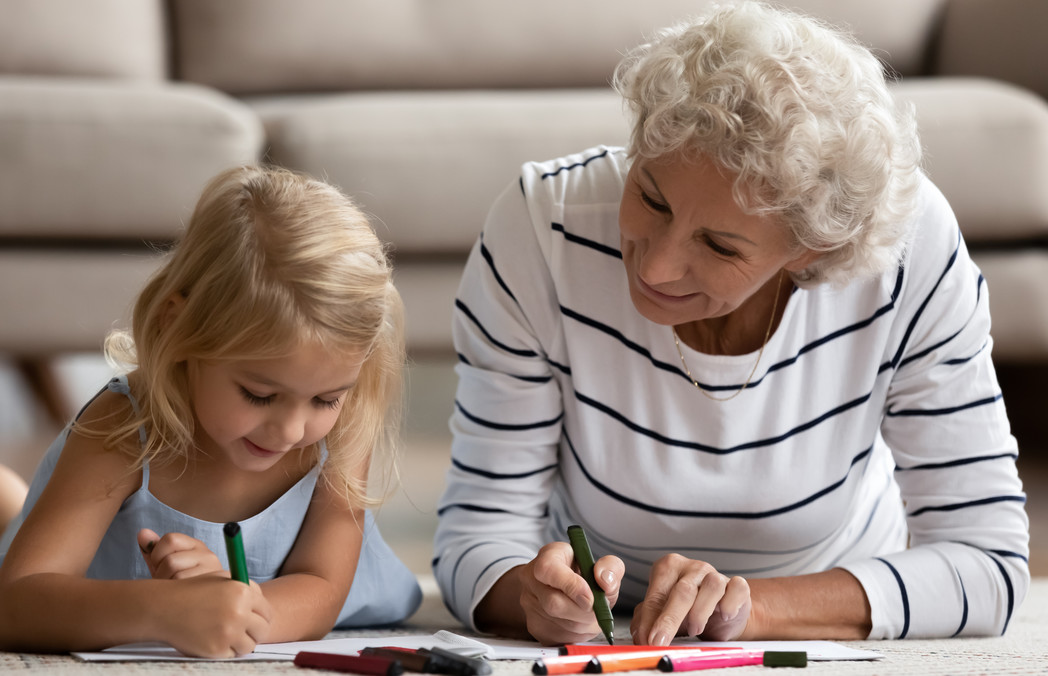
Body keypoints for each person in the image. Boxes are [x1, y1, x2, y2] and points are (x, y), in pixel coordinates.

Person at [432, 1, 1029, 647]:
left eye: (720, 246)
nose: (655, 268)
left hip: (827, 597)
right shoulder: (543, 225)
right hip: (610, 617)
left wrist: (749, 612)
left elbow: (987, 564)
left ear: (811, 250)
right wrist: (530, 597)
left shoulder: (911, 251)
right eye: (651, 197)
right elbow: (477, 536)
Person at [0, 165, 421, 657]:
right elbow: (18, 601)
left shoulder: (344, 422)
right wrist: (163, 609)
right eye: (259, 394)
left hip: (232, 594)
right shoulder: (123, 426)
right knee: (7, 540)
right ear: (177, 327)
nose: (295, 429)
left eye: (326, 399)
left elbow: (322, 587)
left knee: (18, 523)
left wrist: (232, 601)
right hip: (94, 584)